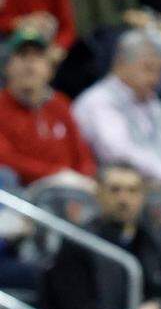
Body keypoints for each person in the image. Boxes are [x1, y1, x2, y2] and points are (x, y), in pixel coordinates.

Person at [41, 163, 161, 309]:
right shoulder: (79, 242)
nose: (124, 199)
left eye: (132, 190)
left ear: (143, 196)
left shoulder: (152, 240)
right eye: (115, 190)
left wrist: (157, 305)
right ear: (98, 193)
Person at [72, 30, 161, 189]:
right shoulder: (97, 101)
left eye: (159, 71)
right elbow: (117, 152)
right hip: (116, 196)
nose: (155, 79)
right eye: (148, 69)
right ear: (121, 63)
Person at [0, 27, 96, 189]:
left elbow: (82, 155)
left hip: (69, 192)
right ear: (6, 66)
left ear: (50, 69)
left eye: (38, 56)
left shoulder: (59, 104)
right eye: (23, 56)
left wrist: (84, 179)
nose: (30, 65)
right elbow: (5, 158)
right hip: (22, 196)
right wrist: (55, 175)